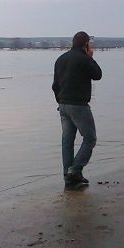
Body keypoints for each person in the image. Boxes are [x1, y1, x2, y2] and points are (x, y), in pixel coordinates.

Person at [52, 31, 103, 189]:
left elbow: (55, 85)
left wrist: (60, 102)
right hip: (79, 105)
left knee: (67, 141)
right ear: (86, 44)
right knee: (90, 138)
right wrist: (90, 57)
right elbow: (98, 75)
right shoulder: (84, 59)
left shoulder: (60, 59)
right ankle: (75, 170)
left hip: (63, 105)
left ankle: (68, 177)